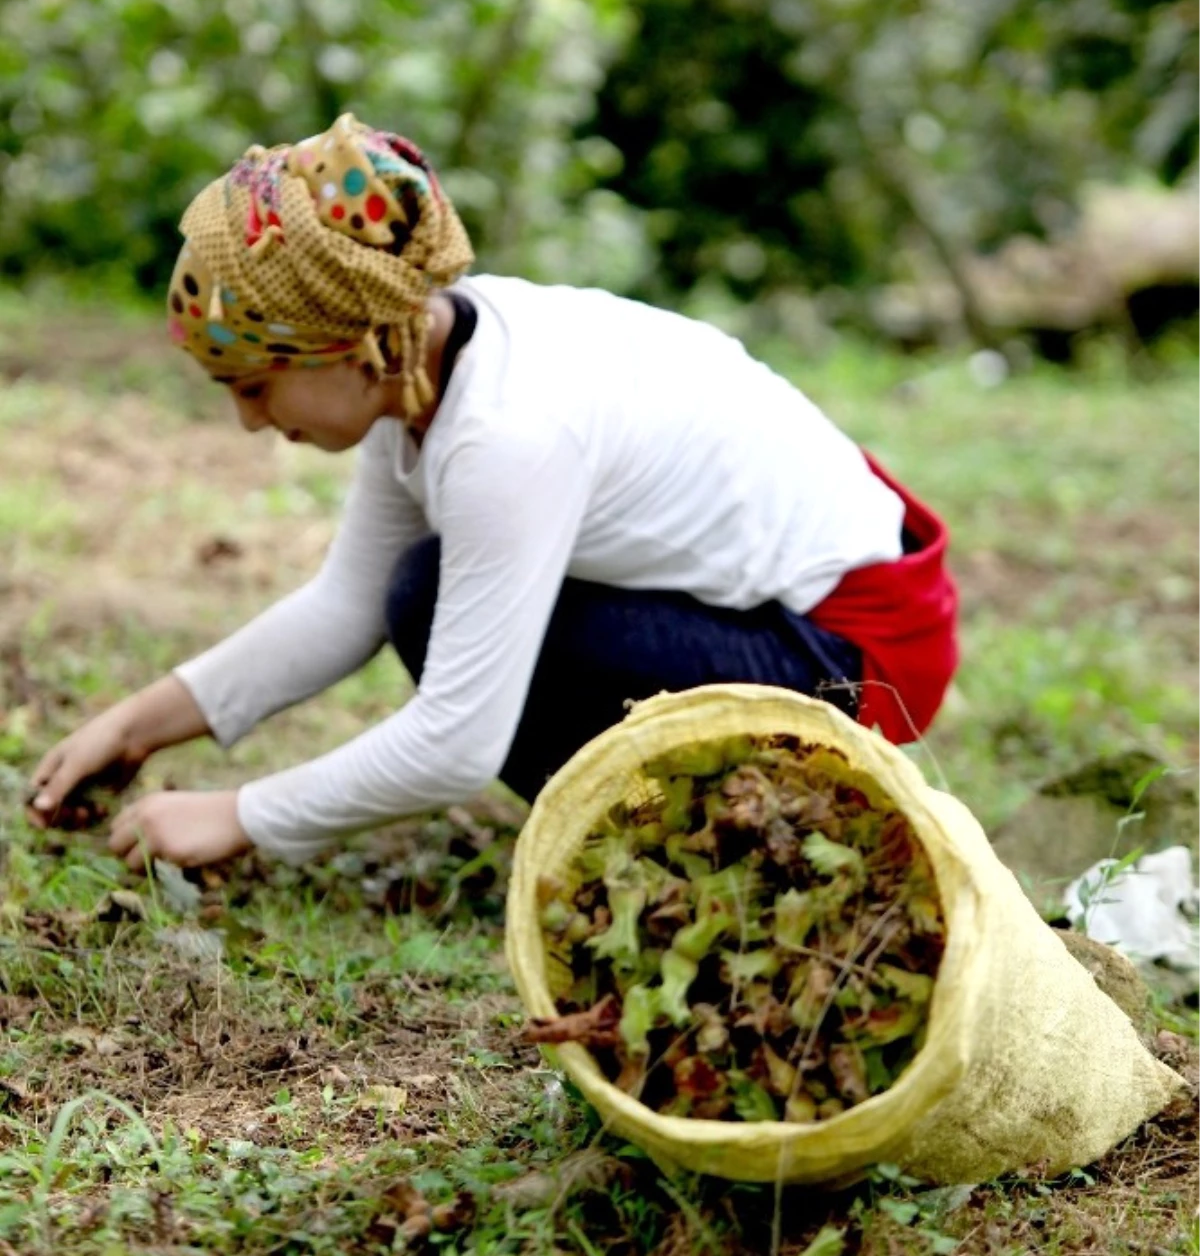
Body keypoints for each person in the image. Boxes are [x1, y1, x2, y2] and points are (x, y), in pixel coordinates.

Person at [28, 114, 958, 873]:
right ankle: (650, 817)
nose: (249, 421)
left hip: (853, 661)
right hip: (776, 616)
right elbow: (344, 606)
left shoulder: (509, 430)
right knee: (413, 591)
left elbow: (457, 743)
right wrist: (137, 723)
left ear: (348, 344)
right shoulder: (422, 357)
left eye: (256, 385)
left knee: (429, 597)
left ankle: (684, 838)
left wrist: (241, 814)